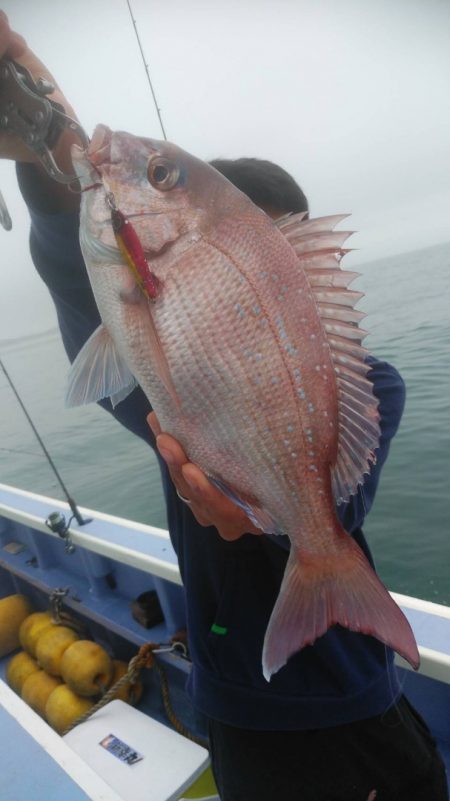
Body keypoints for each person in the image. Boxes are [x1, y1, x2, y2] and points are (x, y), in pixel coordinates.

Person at [1, 14, 448, 801]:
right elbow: (88, 269)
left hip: (363, 682)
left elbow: (340, 495)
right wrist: (42, 144)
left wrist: (256, 514)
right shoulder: (162, 371)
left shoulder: (373, 382)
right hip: (244, 703)